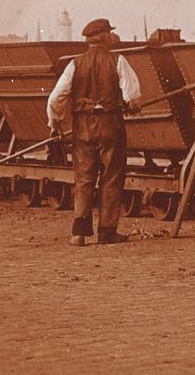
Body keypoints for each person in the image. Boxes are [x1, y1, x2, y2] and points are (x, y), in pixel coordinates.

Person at [46, 18, 141, 246]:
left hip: (83, 127)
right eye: (110, 33)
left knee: (84, 177)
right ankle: (107, 232)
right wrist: (131, 106)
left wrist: (55, 122)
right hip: (111, 125)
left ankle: (79, 233)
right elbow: (133, 95)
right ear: (106, 37)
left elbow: (56, 98)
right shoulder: (118, 60)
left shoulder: (75, 64)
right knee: (111, 177)